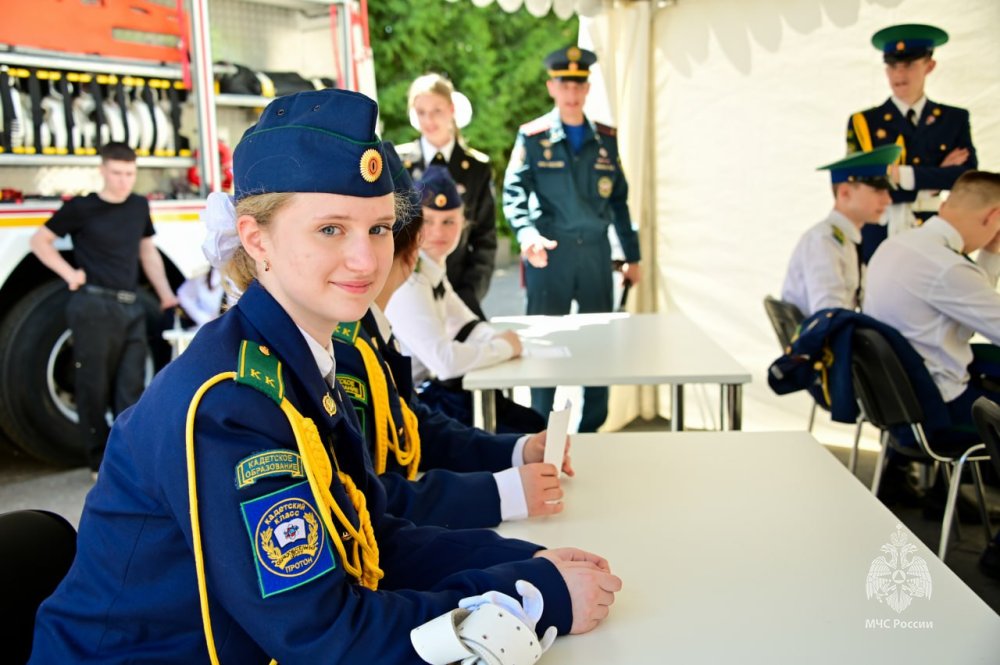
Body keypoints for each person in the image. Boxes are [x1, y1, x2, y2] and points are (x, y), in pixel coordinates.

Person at [29, 89, 621, 663]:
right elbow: (325, 637)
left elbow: (370, 536)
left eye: (379, 228)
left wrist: (523, 564)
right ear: (256, 239)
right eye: (331, 229)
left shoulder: (293, 354)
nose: (365, 260)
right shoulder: (230, 403)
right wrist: (531, 600)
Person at [335, 145, 569, 529]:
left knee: (523, 425)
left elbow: (415, 424)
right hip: (394, 531)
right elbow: (373, 498)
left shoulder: (372, 329)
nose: (362, 259)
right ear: (416, 244)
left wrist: (518, 451)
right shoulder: (347, 345)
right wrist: (503, 492)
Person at [864, 170, 1000, 568]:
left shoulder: (898, 245)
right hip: (939, 412)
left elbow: (968, 295)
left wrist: (991, 252)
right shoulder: (946, 267)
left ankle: (946, 497)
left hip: (901, 405)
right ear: (994, 217)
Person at [502, 45, 640, 432]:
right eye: (564, 85)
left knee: (598, 344)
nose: (572, 93)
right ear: (552, 87)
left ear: (588, 88)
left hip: (595, 254)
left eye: (579, 85)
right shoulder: (533, 137)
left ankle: (592, 430)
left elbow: (619, 201)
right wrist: (527, 234)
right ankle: (540, 432)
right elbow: (513, 191)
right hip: (551, 254)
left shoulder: (606, 139)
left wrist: (633, 257)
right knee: (544, 346)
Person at [29, 141, 178, 475]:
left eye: (130, 174)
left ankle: (128, 462)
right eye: (117, 173)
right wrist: (70, 274)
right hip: (93, 306)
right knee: (93, 387)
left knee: (131, 388)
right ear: (102, 170)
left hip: (131, 306)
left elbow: (147, 252)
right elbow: (39, 241)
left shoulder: (138, 205)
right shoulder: (82, 207)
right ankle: (99, 463)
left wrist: (166, 295)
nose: (124, 181)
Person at [386, 166, 546, 434]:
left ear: (463, 224)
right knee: (526, 427)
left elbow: (467, 324)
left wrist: (497, 339)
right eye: (428, 221)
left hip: (430, 392)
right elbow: (445, 363)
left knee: (528, 422)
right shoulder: (411, 281)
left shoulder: (432, 269)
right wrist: (504, 347)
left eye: (449, 221)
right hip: (410, 406)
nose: (438, 232)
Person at [846, 23, 978, 262]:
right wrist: (936, 177)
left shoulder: (953, 119)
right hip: (881, 232)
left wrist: (902, 175)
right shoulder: (865, 122)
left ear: (929, 66)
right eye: (892, 66)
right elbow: (862, 185)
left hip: (934, 229)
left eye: (908, 65)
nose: (899, 75)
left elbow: (966, 180)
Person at [396, 73, 497, 319]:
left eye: (437, 111)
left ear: (451, 110)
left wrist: (469, 295)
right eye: (421, 112)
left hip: (461, 293)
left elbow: (484, 239)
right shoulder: (399, 164)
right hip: (408, 295)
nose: (429, 120)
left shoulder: (476, 168)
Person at [781, 145, 898, 315]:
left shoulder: (845, 240)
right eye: (878, 191)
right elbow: (829, 315)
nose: (887, 200)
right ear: (845, 193)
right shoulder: (824, 241)